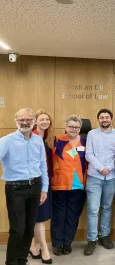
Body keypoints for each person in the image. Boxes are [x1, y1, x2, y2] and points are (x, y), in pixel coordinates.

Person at [0, 108, 49, 265]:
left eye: (28, 119)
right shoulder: (7, 140)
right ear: (16, 121)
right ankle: (11, 262)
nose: (25, 122)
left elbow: (43, 166)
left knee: (29, 229)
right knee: (17, 230)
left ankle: (22, 260)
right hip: (16, 190)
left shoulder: (37, 140)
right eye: (21, 119)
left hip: (35, 188)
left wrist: (44, 188)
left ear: (33, 121)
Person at [83, 109, 115, 256]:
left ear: (111, 119)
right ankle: (91, 239)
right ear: (98, 119)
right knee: (93, 209)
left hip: (111, 176)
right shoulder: (92, 134)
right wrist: (101, 168)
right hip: (94, 176)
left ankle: (104, 236)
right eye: (102, 117)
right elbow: (88, 154)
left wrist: (109, 168)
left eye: (107, 117)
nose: (104, 119)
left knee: (107, 207)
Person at [51, 115, 87, 255]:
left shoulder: (85, 142)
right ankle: (57, 244)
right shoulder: (56, 140)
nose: (74, 129)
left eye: (77, 127)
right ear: (66, 127)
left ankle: (67, 243)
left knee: (72, 215)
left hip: (78, 185)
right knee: (59, 215)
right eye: (71, 126)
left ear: (80, 129)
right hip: (59, 184)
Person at [30, 110, 54, 264]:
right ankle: (44, 248)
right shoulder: (31, 137)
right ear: (35, 121)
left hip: (46, 181)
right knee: (39, 216)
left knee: (38, 215)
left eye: (47, 119)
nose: (45, 122)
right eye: (42, 119)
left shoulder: (47, 138)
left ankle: (32, 245)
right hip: (35, 182)